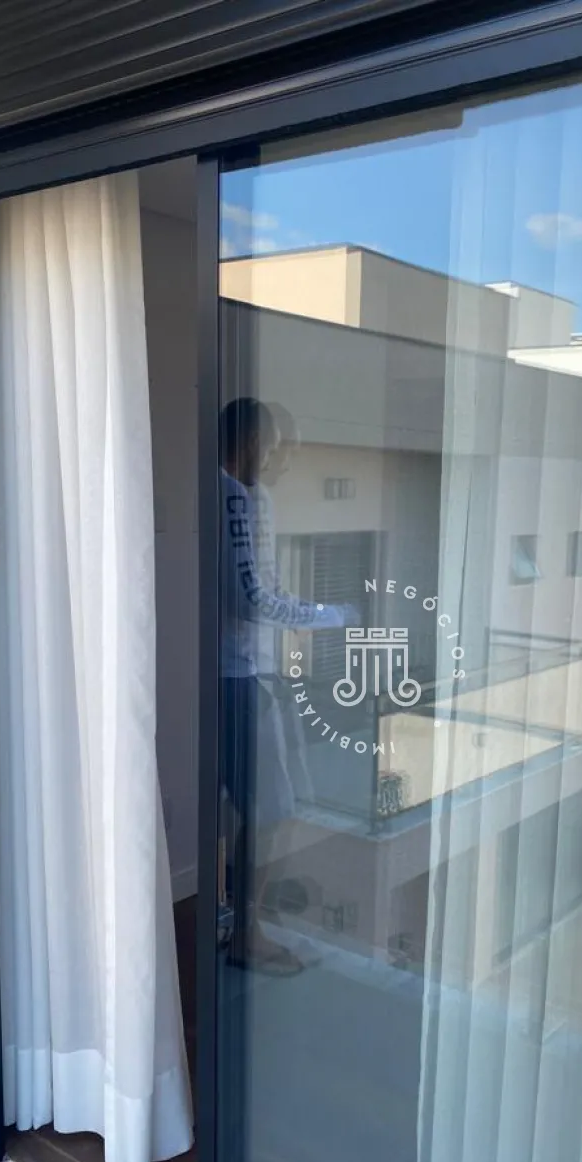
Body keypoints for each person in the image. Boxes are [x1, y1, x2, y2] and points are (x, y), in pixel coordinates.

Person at [219, 396, 352, 974]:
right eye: (275, 450)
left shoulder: (238, 495)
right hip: (239, 677)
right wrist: (332, 615)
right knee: (273, 810)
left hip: (244, 674)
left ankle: (239, 917)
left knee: (258, 807)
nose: (278, 462)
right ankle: (246, 931)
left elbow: (262, 588)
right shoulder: (235, 496)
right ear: (252, 444)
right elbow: (254, 597)